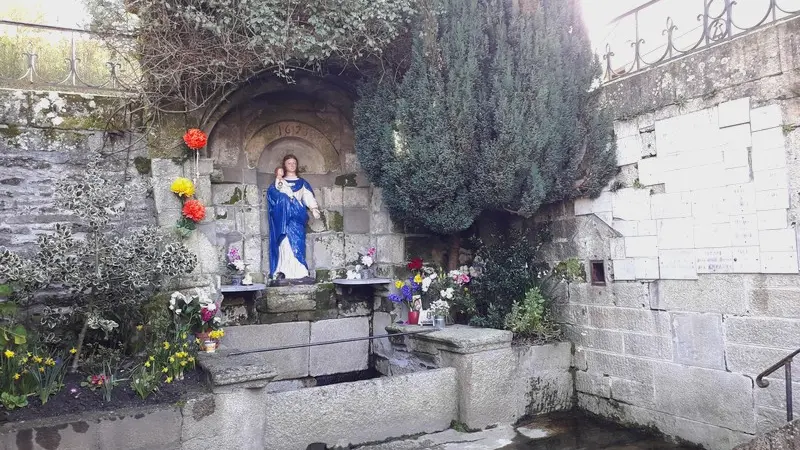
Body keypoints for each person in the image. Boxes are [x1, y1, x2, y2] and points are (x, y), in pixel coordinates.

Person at [267, 154, 320, 282]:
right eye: (289, 163)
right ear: (284, 166)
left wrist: (314, 208)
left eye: (294, 163)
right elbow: (275, 194)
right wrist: (279, 177)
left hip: (297, 218)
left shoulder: (302, 183)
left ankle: (300, 272)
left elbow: (307, 197)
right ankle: (284, 270)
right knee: (284, 243)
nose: (292, 165)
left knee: (298, 244)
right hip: (284, 219)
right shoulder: (280, 182)